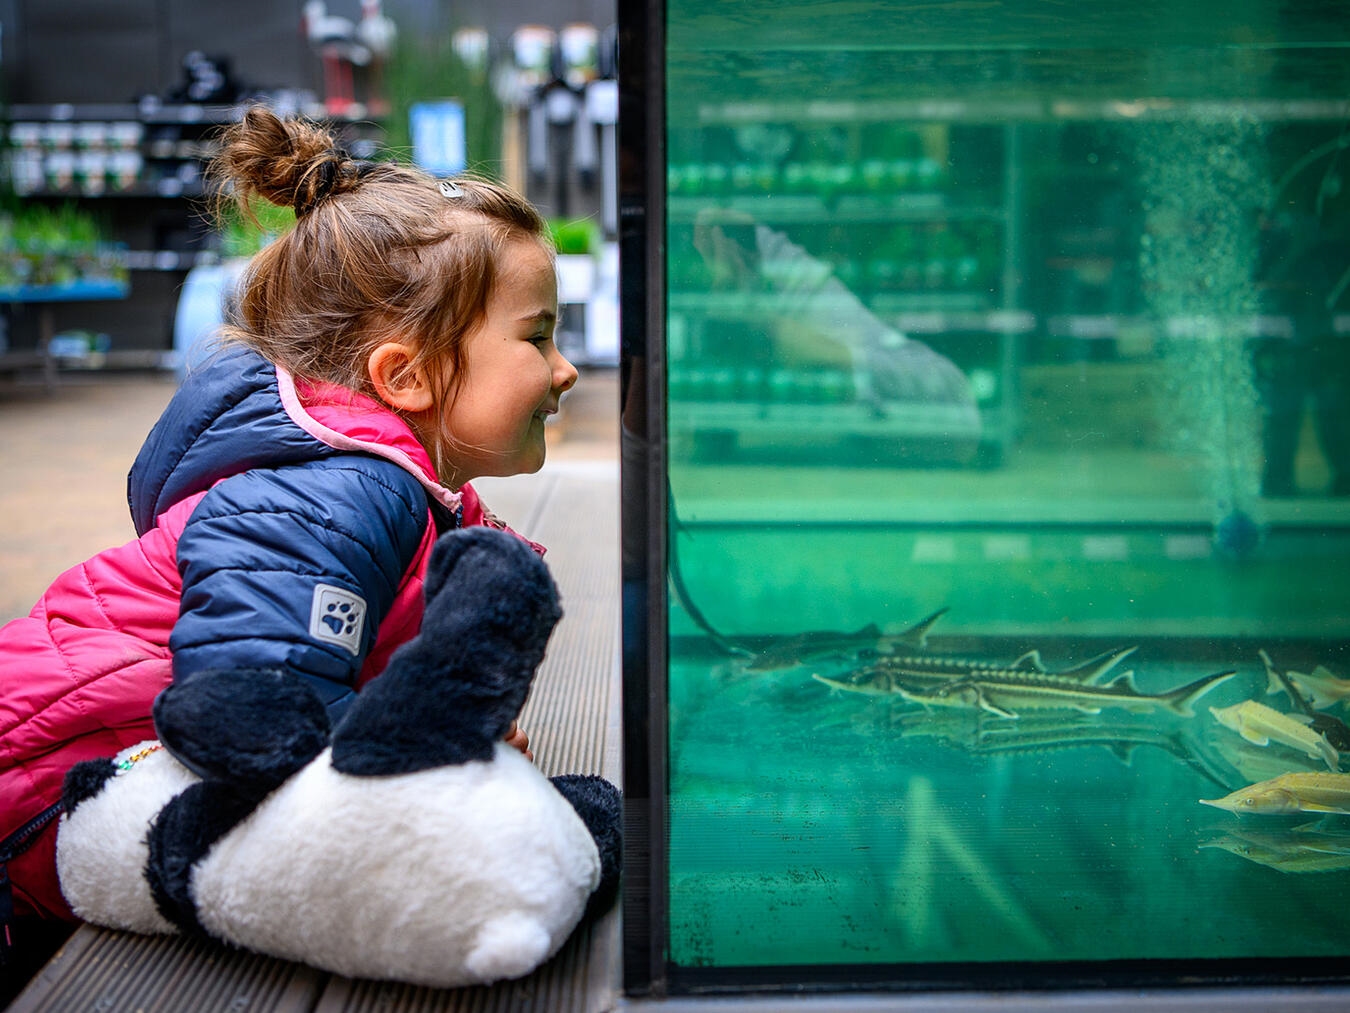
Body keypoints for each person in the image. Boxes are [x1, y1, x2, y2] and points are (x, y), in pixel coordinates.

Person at [0, 106, 578, 968]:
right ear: (406, 375)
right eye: (537, 336)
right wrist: (425, 753)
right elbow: (254, 707)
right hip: (45, 789)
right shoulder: (338, 493)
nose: (565, 367)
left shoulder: (398, 493)